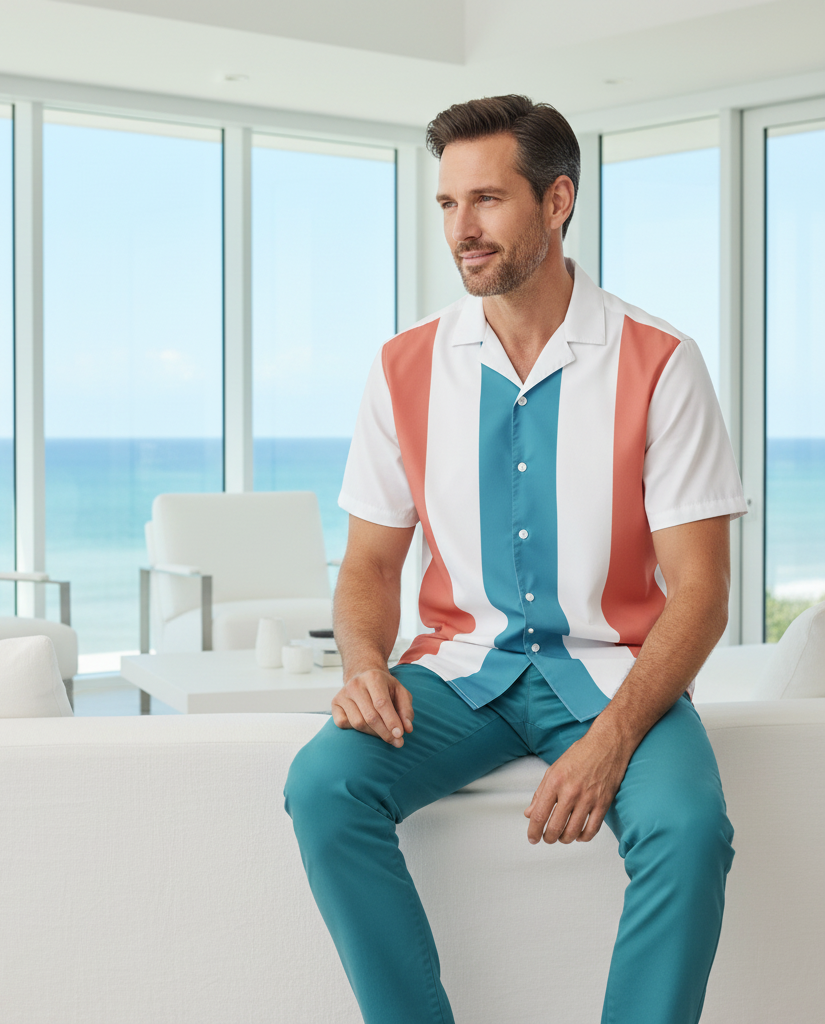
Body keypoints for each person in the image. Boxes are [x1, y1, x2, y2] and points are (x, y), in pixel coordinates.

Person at [283, 95, 747, 1024]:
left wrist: (612, 742)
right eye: (449, 204)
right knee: (324, 788)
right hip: (460, 677)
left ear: (558, 201)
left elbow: (702, 592)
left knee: (690, 830)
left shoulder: (661, 362)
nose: (464, 229)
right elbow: (371, 566)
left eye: (488, 200)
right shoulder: (403, 367)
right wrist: (364, 664)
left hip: (617, 673)